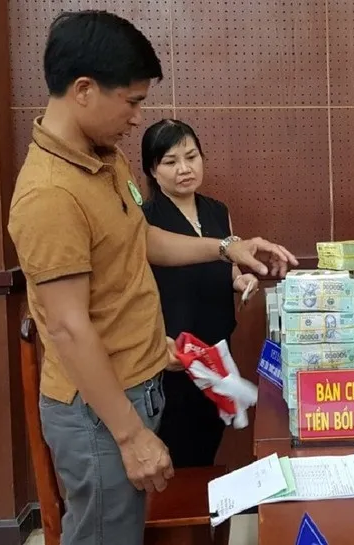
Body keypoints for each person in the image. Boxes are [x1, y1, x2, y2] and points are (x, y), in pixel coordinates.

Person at [7, 11, 297, 545]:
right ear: (84, 90)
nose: (138, 117)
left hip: (142, 384)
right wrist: (130, 435)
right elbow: (68, 327)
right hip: (100, 412)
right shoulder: (49, 194)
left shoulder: (103, 159)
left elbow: (139, 238)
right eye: (132, 101)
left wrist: (226, 247)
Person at [140, 118, 258, 468]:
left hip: (217, 349)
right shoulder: (145, 220)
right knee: (178, 451)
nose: (184, 169)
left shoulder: (217, 210)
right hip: (174, 357)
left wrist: (240, 281)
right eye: (170, 161)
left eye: (191, 157)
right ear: (153, 170)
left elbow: (226, 264)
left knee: (209, 441)